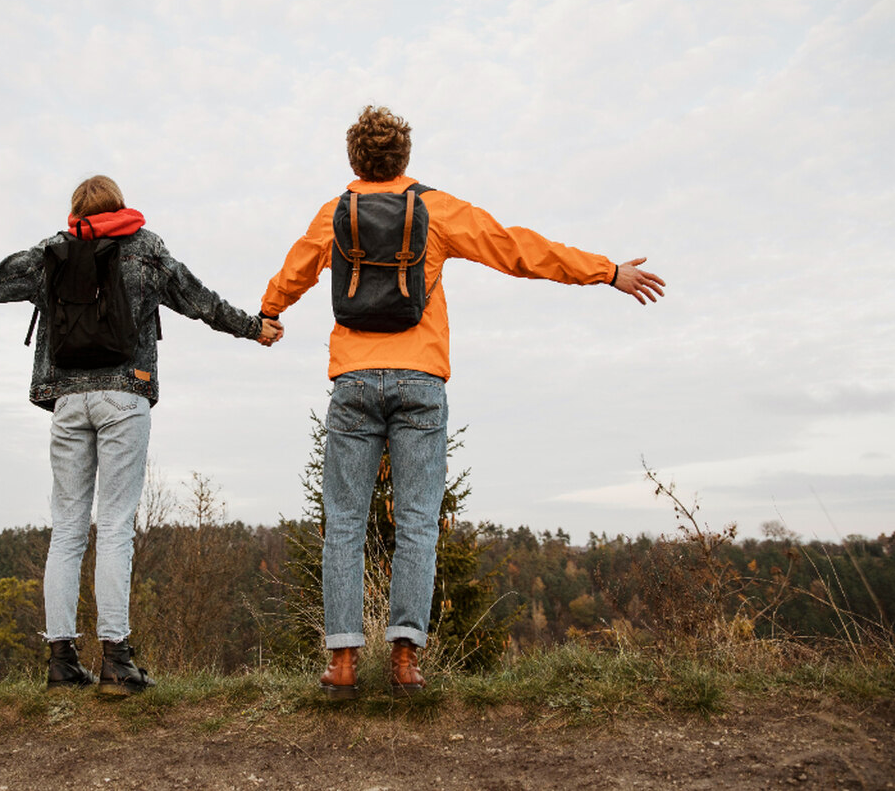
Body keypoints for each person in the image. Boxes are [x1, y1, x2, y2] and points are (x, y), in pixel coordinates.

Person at [259, 106, 664, 698]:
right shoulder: (436, 209)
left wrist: (270, 314)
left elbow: (293, 273)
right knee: (418, 521)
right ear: (404, 159)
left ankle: (342, 666)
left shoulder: (334, 214)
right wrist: (605, 272)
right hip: (422, 381)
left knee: (344, 523)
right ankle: (404, 662)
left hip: (352, 381)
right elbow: (516, 249)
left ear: (355, 160)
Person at [0, 175, 282, 695]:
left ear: (76, 211)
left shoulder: (50, 252)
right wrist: (254, 327)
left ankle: (61, 661)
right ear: (120, 204)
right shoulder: (146, 249)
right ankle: (117, 660)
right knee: (115, 526)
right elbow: (200, 299)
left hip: (67, 400)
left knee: (67, 530)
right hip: (125, 394)